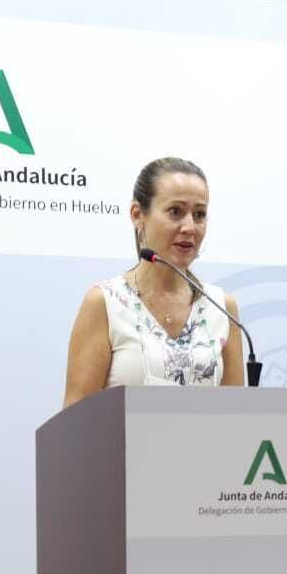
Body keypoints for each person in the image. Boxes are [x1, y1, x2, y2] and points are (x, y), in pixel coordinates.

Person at [63, 157, 243, 406]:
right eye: (175, 212)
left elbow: (237, 419)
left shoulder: (222, 308)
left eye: (199, 214)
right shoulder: (105, 303)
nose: (190, 227)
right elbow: (75, 423)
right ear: (138, 215)